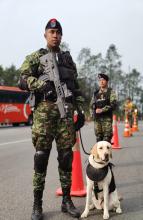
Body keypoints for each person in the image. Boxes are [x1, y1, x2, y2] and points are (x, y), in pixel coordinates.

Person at [18, 18, 85, 220]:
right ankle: (37, 205)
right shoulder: (36, 57)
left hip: (65, 116)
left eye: (58, 33)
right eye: (51, 32)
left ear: (61, 36)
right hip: (44, 115)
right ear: (45, 34)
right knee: (41, 157)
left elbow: (75, 86)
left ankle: (66, 200)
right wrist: (41, 86)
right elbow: (22, 80)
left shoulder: (67, 59)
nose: (55, 35)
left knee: (66, 158)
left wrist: (81, 111)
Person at [90, 73, 117, 143]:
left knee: (106, 140)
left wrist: (102, 110)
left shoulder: (111, 92)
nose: (101, 82)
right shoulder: (95, 93)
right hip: (97, 120)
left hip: (106, 120)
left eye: (103, 80)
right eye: (100, 80)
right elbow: (91, 105)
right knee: (98, 140)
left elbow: (113, 104)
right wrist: (92, 114)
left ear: (107, 81)